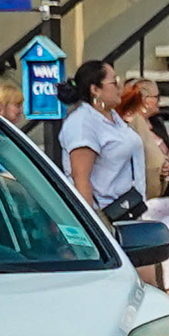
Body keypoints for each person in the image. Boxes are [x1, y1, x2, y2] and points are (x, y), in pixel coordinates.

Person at [119, 78, 169, 295]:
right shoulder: (129, 125)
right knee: (148, 252)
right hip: (146, 196)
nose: (159, 101)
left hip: (168, 195)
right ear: (142, 99)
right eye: (155, 97)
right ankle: (153, 296)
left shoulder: (157, 123)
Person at [59, 59, 146, 218]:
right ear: (95, 90)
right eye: (114, 82)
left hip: (130, 210)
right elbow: (80, 179)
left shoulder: (112, 117)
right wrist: (92, 227)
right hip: (108, 217)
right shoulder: (83, 123)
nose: (119, 87)